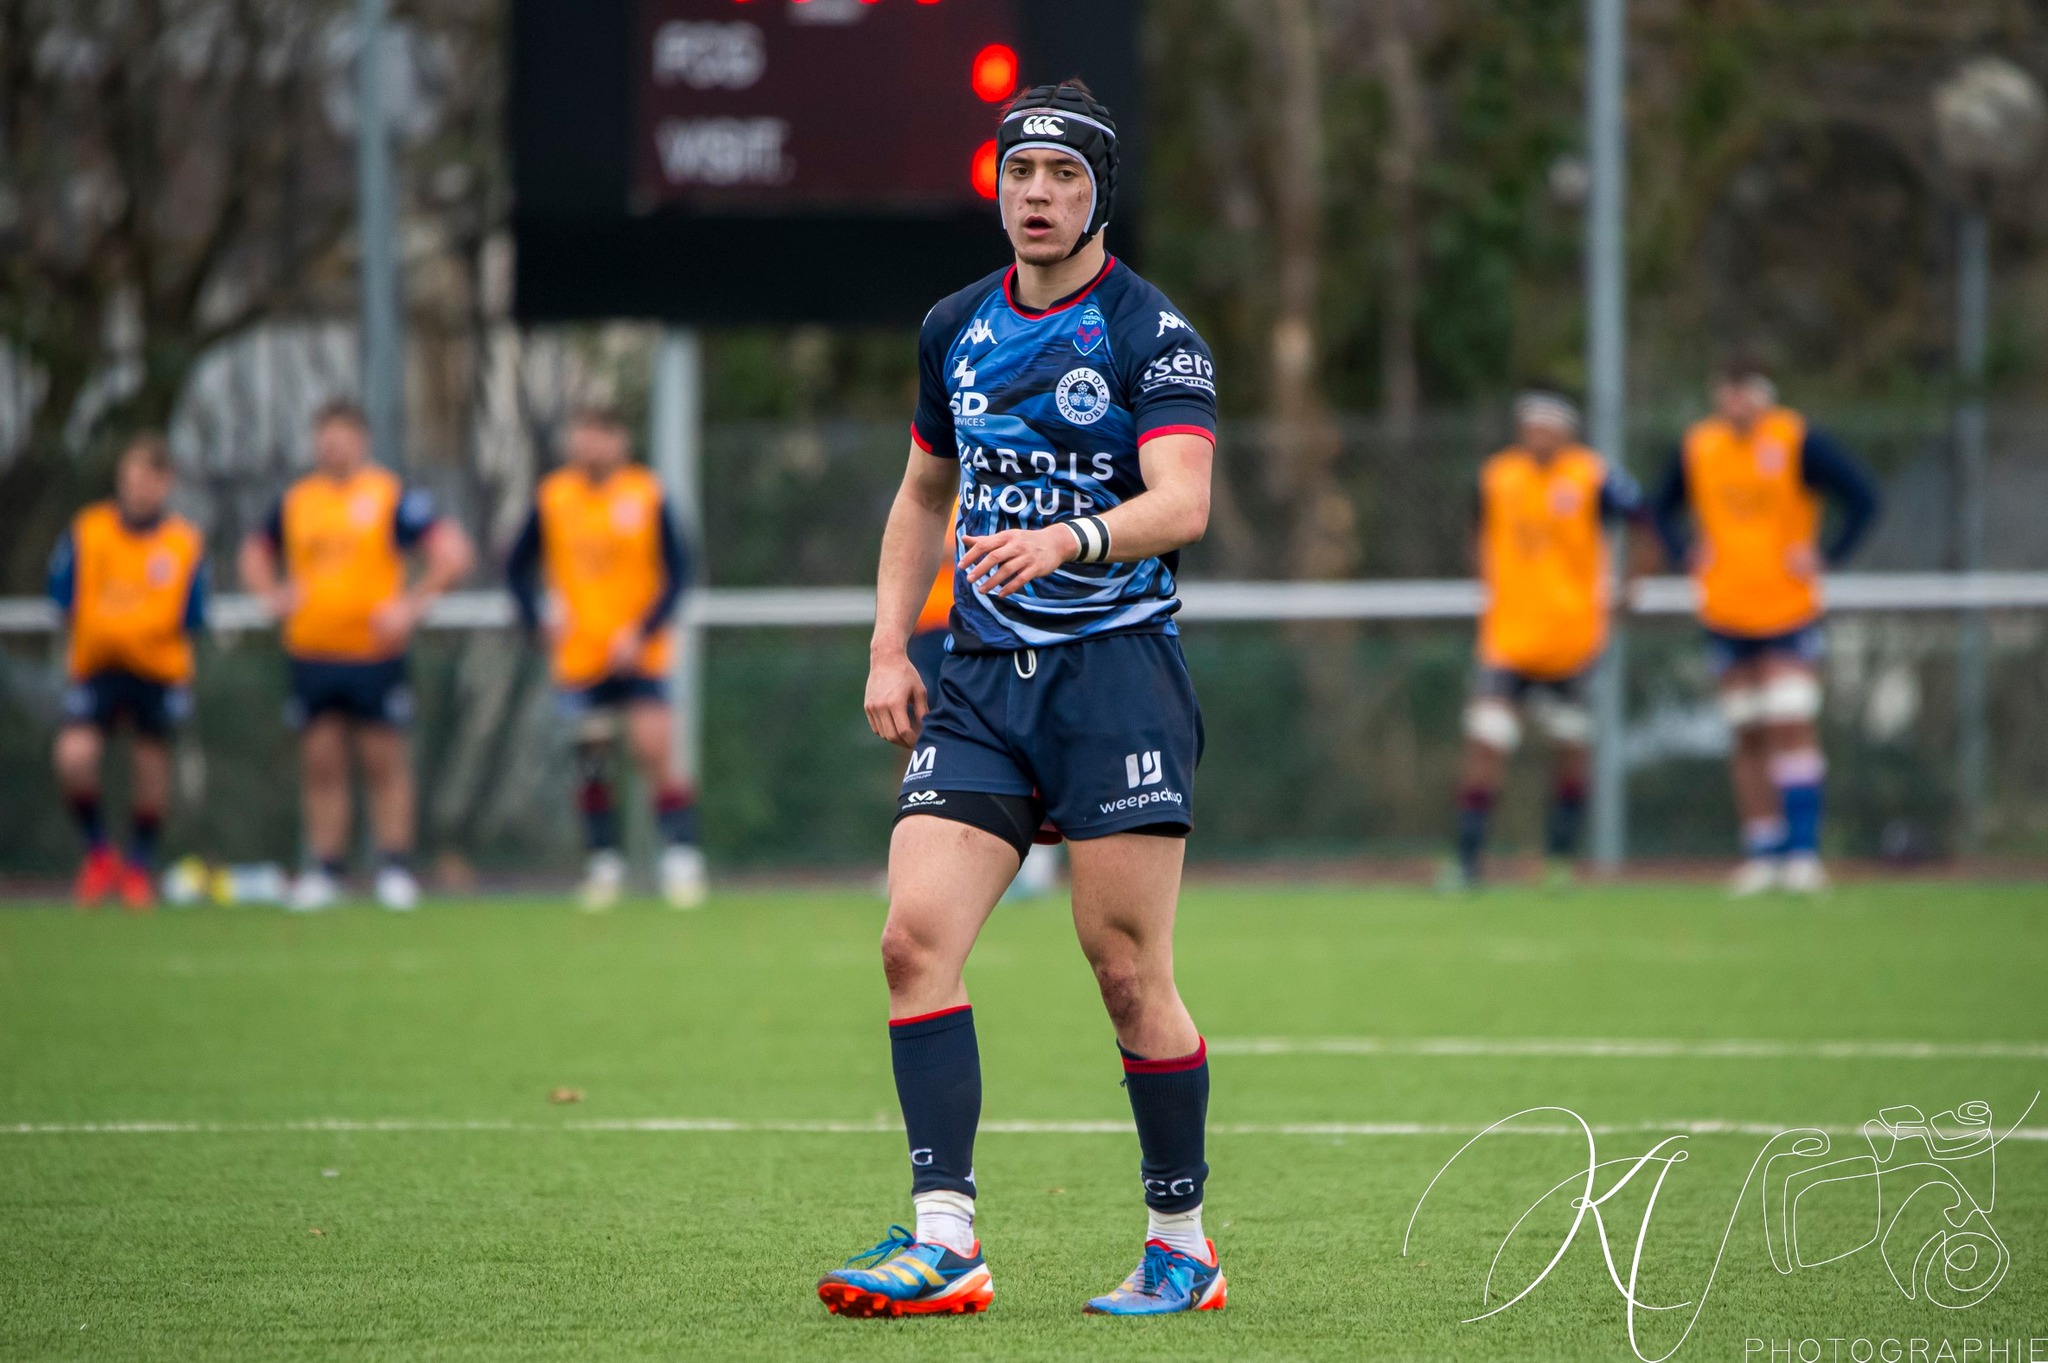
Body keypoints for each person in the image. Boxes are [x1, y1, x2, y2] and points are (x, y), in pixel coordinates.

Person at [816, 80, 1225, 1320]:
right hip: (981, 683)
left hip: (1116, 682)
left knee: (1122, 972)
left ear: (1099, 193)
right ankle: (946, 1239)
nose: (1037, 197)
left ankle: (1180, 1243)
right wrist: (892, 645)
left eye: (1062, 178)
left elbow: (1183, 501)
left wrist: (1073, 538)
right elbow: (920, 495)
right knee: (909, 940)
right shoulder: (954, 325)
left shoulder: (1150, 330)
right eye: (1019, 176)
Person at [1651, 361, 1879, 895]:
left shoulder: (1796, 440)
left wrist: (1830, 556)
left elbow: (1865, 498)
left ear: (1763, 396)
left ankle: (1803, 852)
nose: (1734, 405)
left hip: (1786, 610)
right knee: (1747, 732)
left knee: (1790, 723)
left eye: (1744, 394)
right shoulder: (1700, 446)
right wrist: (1684, 552)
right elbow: (1657, 508)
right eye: (1725, 394)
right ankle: (1763, 849)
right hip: (1725, 610)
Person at [238, 400, 474, 912]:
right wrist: (272, 596)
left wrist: (410, 608)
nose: (333, 445)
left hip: (374, 653)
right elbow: (254, 552)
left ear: (361, 441)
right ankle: (327, 869)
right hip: (312, 650)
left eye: (342, 435)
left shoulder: (388, 496)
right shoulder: (297, 501)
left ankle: (394, 867)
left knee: (383, 761)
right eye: (325, 436)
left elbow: (452, 552)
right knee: (321, 762)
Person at [506, 407, 705, 910]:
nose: (590, 445)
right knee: (592, 760)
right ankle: (604, 862)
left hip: (641, 653)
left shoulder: (646, 493)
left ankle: (681, 856)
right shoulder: (554, 497)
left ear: (620, 440)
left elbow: (678, 573)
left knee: (653, 747)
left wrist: (640, 632)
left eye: (601, 435)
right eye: (583, 434)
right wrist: (537, 619)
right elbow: (515, 567)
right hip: (580, 657)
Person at [1448, 393, 1646, 889]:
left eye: (1547, 426)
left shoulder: (1594, 476)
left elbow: (1649, 524)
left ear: (1567, 430)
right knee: (1486, 739)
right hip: (1508, 640)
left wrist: (1629, 588)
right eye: (1529, 425)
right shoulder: (1497, 476)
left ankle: (1560, 860)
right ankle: (1468, 859)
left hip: (1572, 642)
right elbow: (1474, 530)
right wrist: (1489, 583)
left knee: (1571, 746)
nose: (1536, 435)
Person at [47, 433, 207, 910]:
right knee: (74, 756)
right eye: (128, 477)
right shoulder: (89, 530)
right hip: (97, 669)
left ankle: (138, 865)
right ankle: (99, 852)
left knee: (150, 766)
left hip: (157, 672)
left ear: (165, 483)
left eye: (146, 478)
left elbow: (193, 617)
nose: (135, 487)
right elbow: (62, 597)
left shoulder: (182, 542)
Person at [905, 502, 1062, 901]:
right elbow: (915, 535)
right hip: (932, 632)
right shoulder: (939, 485)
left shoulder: (1010, 486)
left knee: (1031, 732)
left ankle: (1037, 862)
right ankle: (918, 856)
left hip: (993, 630)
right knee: (921, 737)